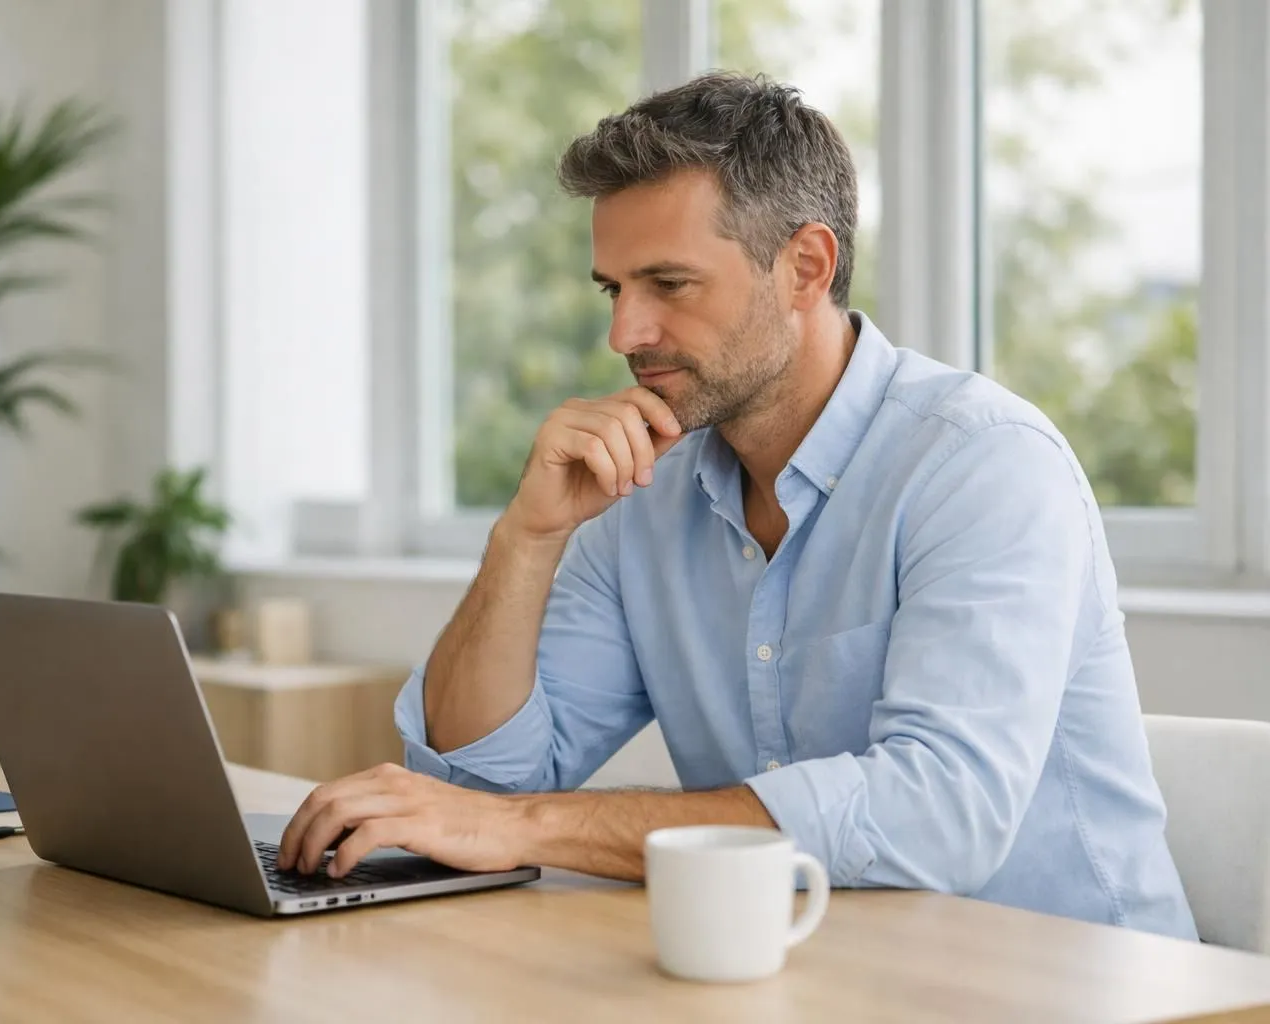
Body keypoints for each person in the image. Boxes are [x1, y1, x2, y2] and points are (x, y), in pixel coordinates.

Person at [276, 71, 1198, 940]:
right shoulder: (645, 491)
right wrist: (527, 539)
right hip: (811, 968)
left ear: (804, 266)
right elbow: (477, 783)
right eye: (615, 289)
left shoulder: (983, 464)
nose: (623, 334)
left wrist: (523, 825)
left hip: (1083, 987)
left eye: (668, 285)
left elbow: (939, 818)